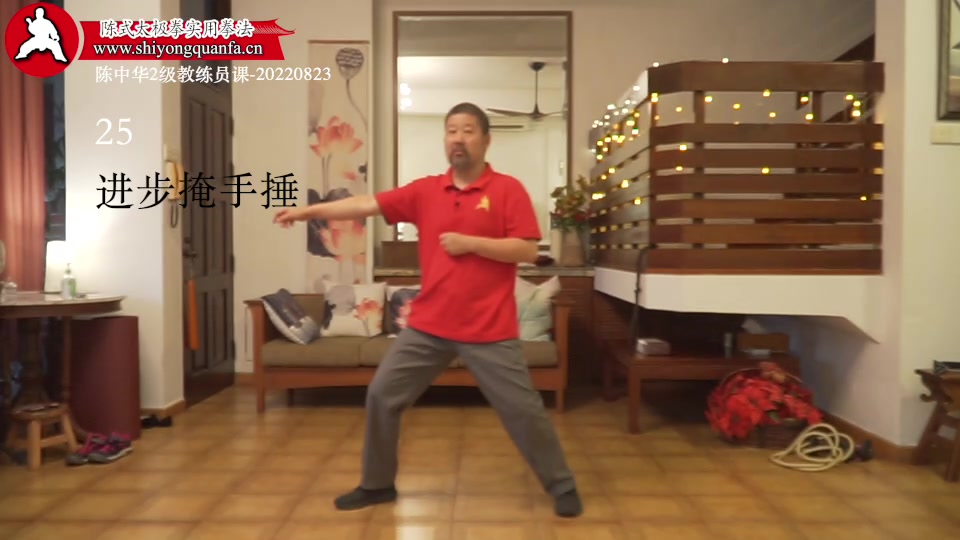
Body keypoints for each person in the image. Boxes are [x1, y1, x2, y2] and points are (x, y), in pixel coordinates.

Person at [273, 102, 583, 518]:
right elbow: (365, 204)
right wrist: (308, 212)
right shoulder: (425, 191)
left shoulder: (507, 190)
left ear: (486, 140)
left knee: (522, 410)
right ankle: (377, 484)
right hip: (429, 326)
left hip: (489, 328)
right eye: (451, 130)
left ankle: (562, 485)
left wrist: (471, 244)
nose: (458, 138)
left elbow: (527, 250)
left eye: (468, 130)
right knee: (382, 395)